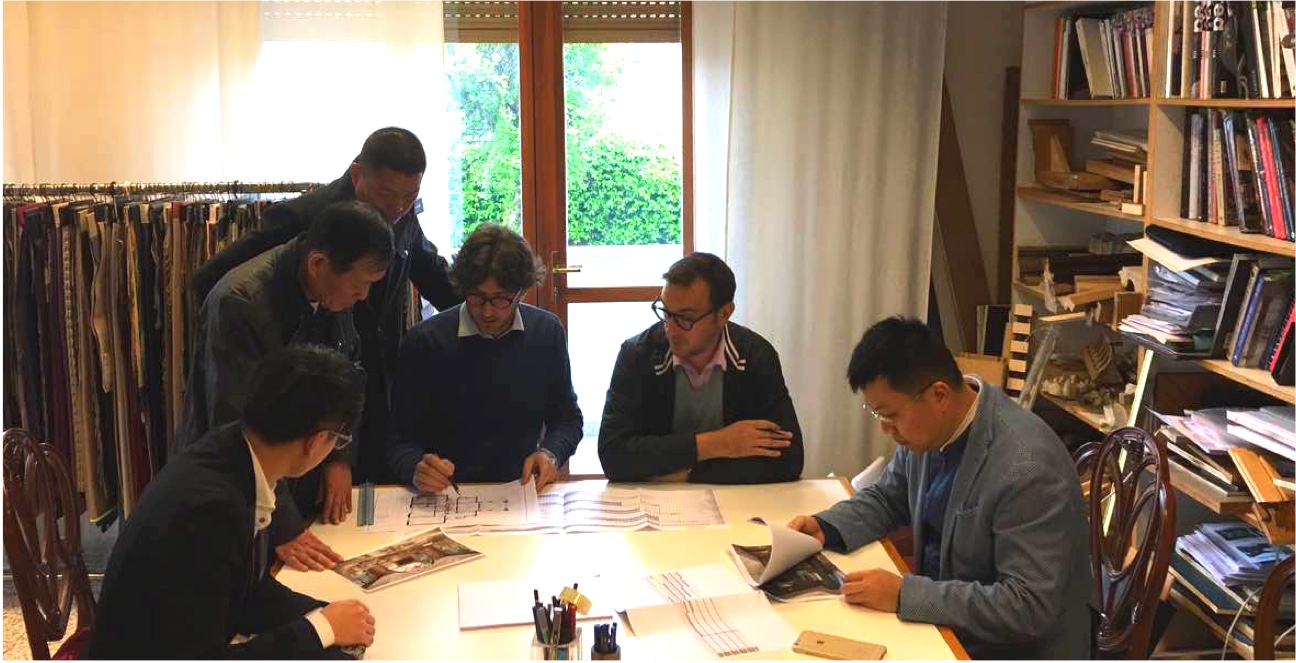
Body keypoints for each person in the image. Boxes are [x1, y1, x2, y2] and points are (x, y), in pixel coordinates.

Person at [786, 317, 1090, 660]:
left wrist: (905, 595)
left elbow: (1027, 606)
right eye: (878, 415)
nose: (886, 429)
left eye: (890, 415)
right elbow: (888, 498)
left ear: (939, 395)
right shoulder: (930, 429)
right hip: (944, 626)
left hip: (1010, 649)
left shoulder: (1027, 467)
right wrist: (825, 527)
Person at [192, 127, 462, 487]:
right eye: (387, 194)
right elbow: (215, 284)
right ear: (357, 175)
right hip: (298, 382)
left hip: (364, 377)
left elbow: (430, 271)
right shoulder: (306, 217)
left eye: (410, 196)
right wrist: (255, 339)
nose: (398, 208)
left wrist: (481, 305)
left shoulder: (401, 213)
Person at [88, 346, 377, 659]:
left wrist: (323, 617)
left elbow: (245, 591)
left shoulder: (232, 452)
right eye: (338, 440)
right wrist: (321, 628)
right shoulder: (212, 510)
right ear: (317, 442)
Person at [179, 200, 392, 571]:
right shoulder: (240, 303)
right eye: (361, 284)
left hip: (296, 472)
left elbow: (345, 377)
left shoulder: (331, 292)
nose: (364, 296)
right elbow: (238, 428)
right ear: (318, 264)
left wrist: (339, 458)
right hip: (240, 490)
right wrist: (285, 526)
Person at [387, 224, 582, 493]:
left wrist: (550, 453)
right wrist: (415, 468)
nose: (488, 312)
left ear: (521, 291)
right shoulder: (425, 341)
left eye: (500, 300)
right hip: (444, 493)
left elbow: (567, 420)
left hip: (520, 489)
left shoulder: (546, 332)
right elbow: (397, 440)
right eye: (477, 298)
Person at [598, 252, 803, 483]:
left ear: (724, 314)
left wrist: (689, 474)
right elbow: (613, 455)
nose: (670, 328)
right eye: (665, 312)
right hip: (656, 500)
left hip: (734, 500)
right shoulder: (638, 355)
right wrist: (715, 444)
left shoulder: (754, 356)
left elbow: (789, 459)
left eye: (685, 318)